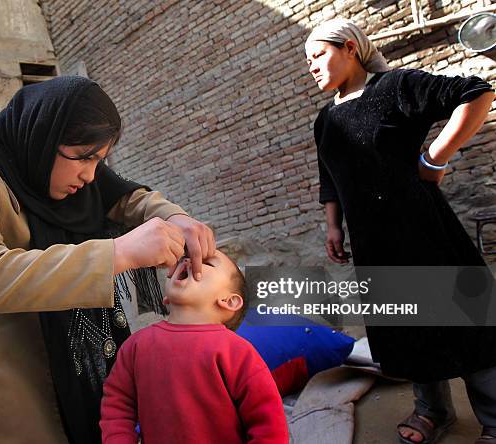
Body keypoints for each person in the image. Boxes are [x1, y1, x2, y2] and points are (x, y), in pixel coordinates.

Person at [0, 76, 215, 444]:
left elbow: (128, 198)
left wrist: (175, 217)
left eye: (99, 160)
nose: (91, 174)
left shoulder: (67, 168)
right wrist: (119, 252)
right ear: (44, 137)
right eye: (84, 158)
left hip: (38, 315)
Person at [305, 18, 496, 444]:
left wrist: (435, 158)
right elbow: (329, 176)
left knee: (464, 321)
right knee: (405, 327)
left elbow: (477, 93)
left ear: (351, 47)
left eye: (318, 55)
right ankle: (433, 410)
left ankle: (494, 416)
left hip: (424, 229)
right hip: (374, 242)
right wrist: (333, 226)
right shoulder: (325, 120)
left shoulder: (395, 87)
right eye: (309, 62)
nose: (312, 67)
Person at [100, 250, 289, 443]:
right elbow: (117, 406)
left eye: (206, 262)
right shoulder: (135, 346)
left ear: (228, 301)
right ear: (166, 297)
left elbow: (269, 425)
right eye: (183, 259)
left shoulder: (237, 351)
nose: (190, 260)